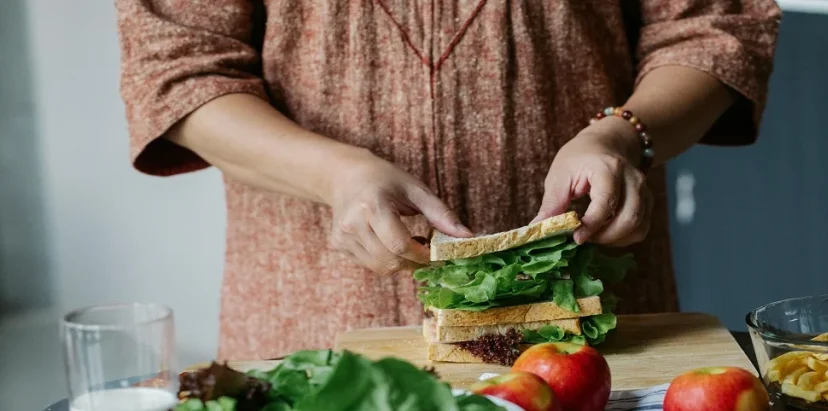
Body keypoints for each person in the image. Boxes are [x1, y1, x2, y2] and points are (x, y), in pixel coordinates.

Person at [115, 1, 781, 360]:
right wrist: (335, 174)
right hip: (316, 316)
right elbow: (178, 71)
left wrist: (623, 135)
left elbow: (710, 28)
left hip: (588, 322)